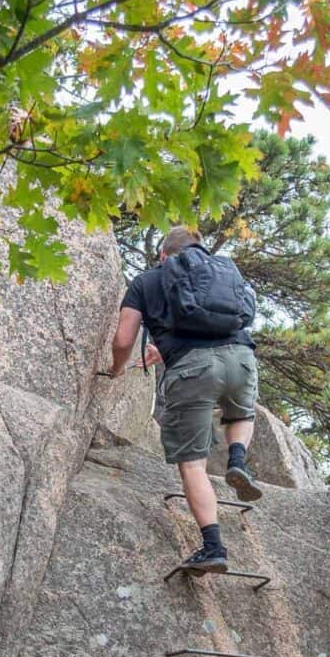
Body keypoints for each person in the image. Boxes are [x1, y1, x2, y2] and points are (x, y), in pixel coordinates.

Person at [108, 225, 261, 574]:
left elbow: (122, 339)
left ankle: (213, 547)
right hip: (240, 359)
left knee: (193, 464)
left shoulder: (147, 280)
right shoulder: (224, 272)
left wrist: (117, 369)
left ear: (164, 254)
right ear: (200, 250)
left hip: (191, 371)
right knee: (241, 413)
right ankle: (238, 459)